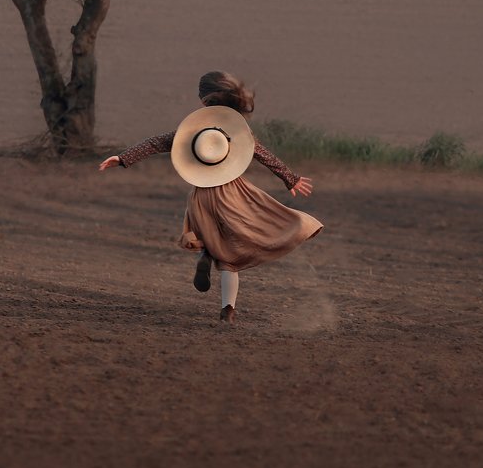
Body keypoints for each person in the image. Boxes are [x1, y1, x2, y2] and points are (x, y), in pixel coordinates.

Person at [99, 70, 322, 324]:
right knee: (231, 256)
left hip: (201, 197)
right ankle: (228, 310)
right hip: (233, 194)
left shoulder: (193, 130)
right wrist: (290, 178)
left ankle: (205, 253)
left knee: (208, 235)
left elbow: (155, 143)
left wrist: (122, 158)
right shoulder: (236, 130)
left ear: (203, 99)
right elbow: (263, 155)